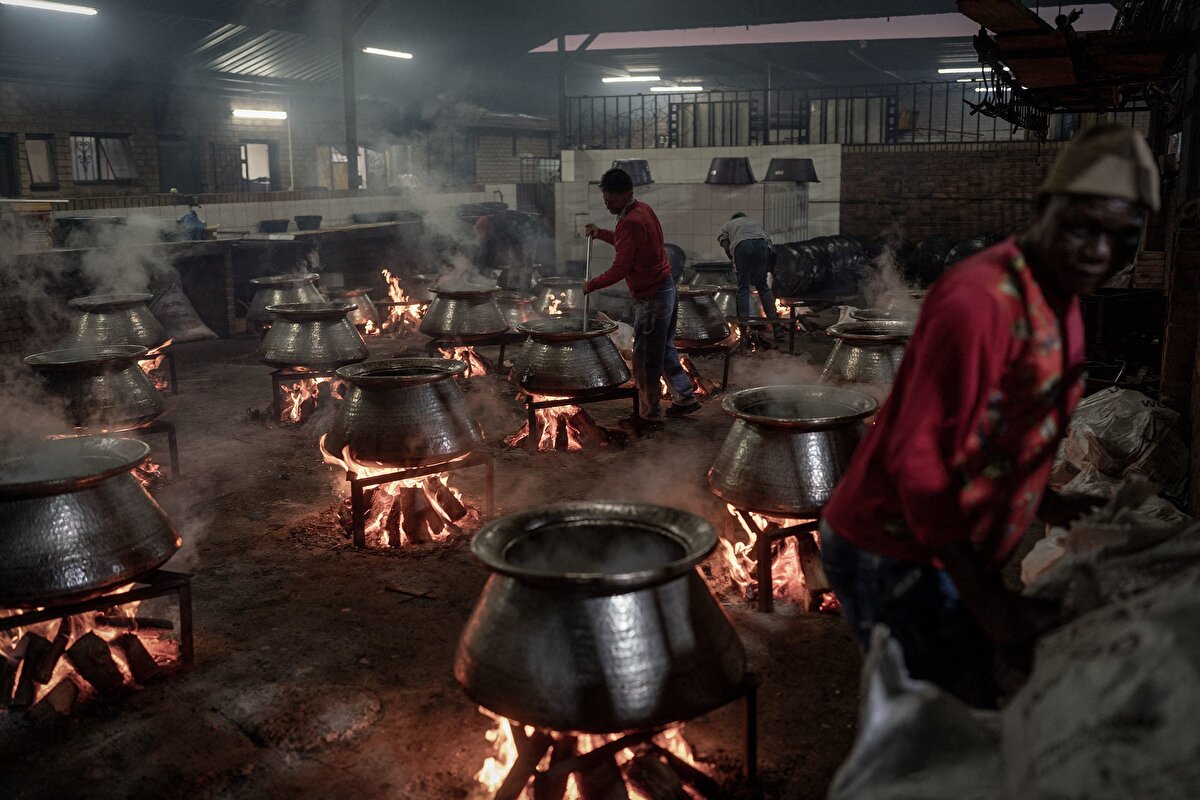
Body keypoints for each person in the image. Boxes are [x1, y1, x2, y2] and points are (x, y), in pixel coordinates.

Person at [818, 123, 1159, 706]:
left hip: (950, 547)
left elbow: (1015, 429)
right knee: (936, 722)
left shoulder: (1064, 305)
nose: (1100, 252)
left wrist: (1046, 501)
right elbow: (921, 464)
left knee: (965, 708)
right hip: (894, 548)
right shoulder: (981, 302)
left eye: (1122, 239)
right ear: (1043, 207)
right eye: (1082, 227)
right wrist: (990, 604)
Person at [583, 168, 700, 427]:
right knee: (665, 349)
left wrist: (591, 285)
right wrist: (601, 233)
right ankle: (685, 397)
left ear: (628, 194)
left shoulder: (631, 221)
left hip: (652, 298)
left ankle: (650, 414)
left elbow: (620, 267)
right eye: (605, 199)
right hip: (665, 289)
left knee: (645, 358)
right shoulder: (642, 210)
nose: (608, 203)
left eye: (612, 199)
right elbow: (628, 244)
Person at [717, 212, 779, 339]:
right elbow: (772, 249)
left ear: (733, 219)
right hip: (762, 246)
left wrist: (735, 259)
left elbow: (726, 246)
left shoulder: (727, 226)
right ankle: (776, 327)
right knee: (763, 286)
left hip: (742, 246)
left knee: (743, 287)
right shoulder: (755, 223)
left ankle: (744, 329)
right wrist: (772, 269)